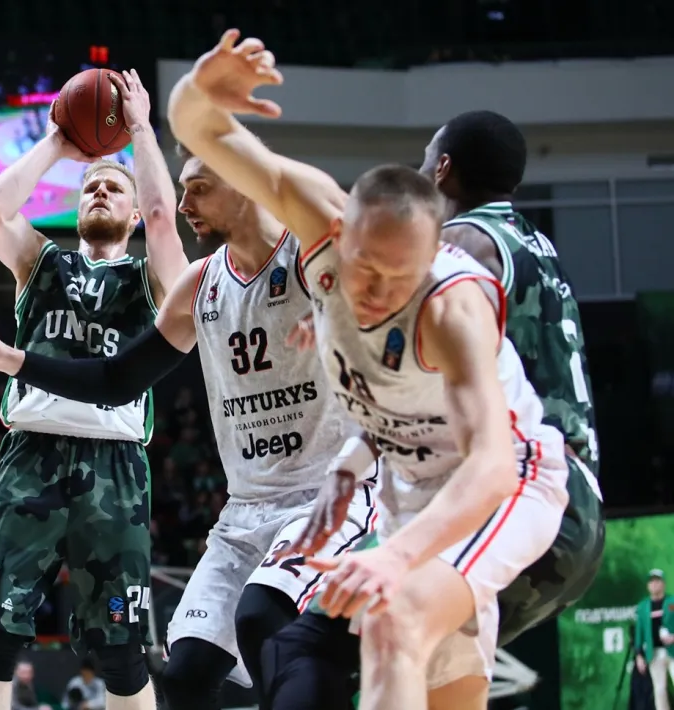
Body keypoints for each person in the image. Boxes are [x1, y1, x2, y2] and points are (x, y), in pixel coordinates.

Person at [168, 31, 571, 710]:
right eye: (366, 269)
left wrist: (393, 554)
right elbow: (203, 135)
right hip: (407, 483)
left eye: (400, 277)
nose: (380, 292)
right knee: (441, 690)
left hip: (506, 485)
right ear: (340, 234)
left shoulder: (454, 308)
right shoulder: (320, 225)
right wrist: (199, 91)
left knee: (391, 620)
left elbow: (492, 467)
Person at [0, 142, 375, 709]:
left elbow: (348, 222)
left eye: (199, 188)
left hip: (329, 493)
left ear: (243, 183)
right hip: (245, 511)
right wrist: (12, 359)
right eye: (183, 190)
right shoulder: (198, 283)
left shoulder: (310, 257)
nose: (185, 204)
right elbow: (117, 379)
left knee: (262, 619)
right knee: (185, 674)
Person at [264, 110, 608, 708]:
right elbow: (423, 395)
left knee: (316, 642)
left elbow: (413, 376)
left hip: (512, 489)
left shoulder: (459, 249)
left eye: (425, 156)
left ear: (442, 168)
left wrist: (341, 320)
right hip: (577, 505)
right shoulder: (532, 241)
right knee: (431, 674)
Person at [0, 70, 188, 710]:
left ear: (133, 212)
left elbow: (164, 218)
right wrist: (59, 143)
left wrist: (140, 129)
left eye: (114, 187)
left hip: (115, 466)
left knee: (122, 649)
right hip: (31, 455)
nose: (100, 191)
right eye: (91, 187)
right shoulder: (42, 263)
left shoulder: (151, 279)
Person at [636, 569, 674, 710]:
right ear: (648, 586)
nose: (654, 584)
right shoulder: (643, 607)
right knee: (659, 690)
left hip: (672, 651)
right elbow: (639, 632)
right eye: (651, 581)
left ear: (663, 583)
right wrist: (639, 655)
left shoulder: (672, 602)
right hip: (654, 653)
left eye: (657, 581)